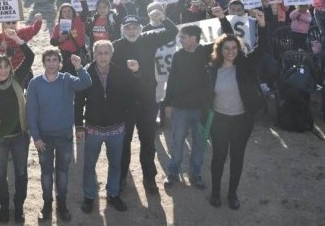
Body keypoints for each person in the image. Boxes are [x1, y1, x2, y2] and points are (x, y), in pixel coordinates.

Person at [207, 8, 270, 210]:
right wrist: (222, 19)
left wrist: (262, 25)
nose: (231, 51)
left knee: (237, 158)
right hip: (219, 121)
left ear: (239, 49)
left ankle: (232, 193)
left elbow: (262, 49)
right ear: (220, 49)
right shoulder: (212, 68)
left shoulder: (244, 65)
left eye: (234, 48)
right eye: (226, 48)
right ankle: (215, 192)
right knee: (218, 157)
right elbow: (228, 36)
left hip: (241, 121)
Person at [112, 12, 179, 195]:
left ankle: (149, 177)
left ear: (141, 29)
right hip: (124, 104)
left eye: (135, 27)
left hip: (147, 101)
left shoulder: (149, 39)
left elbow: (172, 31)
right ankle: (121, 178)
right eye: (128, 28)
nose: (132, 31)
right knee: (123, 143)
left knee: (148, 141)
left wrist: (163, 17)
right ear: (122, 30)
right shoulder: (115, 46)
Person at [164, 17, 233, 191]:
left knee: (200, 144)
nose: (181, 40)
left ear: (194, 37)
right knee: (177, 142)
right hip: (180, 108)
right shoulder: (178, 56)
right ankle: (173, 172)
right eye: (180, 38)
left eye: (184, 37)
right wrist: (167, 104)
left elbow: (228, 35)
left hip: (203, 109)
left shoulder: (207, 52)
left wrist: (222, 18)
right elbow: (171, 80)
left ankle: (196, 174)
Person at [26, 48, 91, 223]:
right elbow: (31, 112)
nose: (52, 63)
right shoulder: (35, 83)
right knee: (46, 173)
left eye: (55, 60)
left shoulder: (67, 79)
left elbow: (86, 83)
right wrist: (36, 138)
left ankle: (61, 204)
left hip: (64, 136)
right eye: (48, 60)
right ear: (44, 62)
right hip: (44, 138)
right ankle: (47, 204)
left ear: (60, 62)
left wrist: (79, 67)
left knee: (62, 172)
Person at [75, 40, 138, 214]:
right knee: (89, 165)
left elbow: (131, 96)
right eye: (99, 53)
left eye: (106, 53)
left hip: (116, 129)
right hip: (93, 128)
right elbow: (79, 101)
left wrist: (125, 119)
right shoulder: (86, 72)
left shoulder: (121, 72)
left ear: (111, 54)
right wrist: (79, 126)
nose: (103, 56)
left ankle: (113, 194)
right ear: (94, 55)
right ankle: (89, 197)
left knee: (115, 164)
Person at [0, 40, 35, 224]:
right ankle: (4, 206)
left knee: (21, 173)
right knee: (0, 174)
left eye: (5, 67)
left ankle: (18, 206)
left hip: (19, 137)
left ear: (10, 68)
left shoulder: (18, 78)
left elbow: (31, 56)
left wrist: (19, 41)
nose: (2, 70)